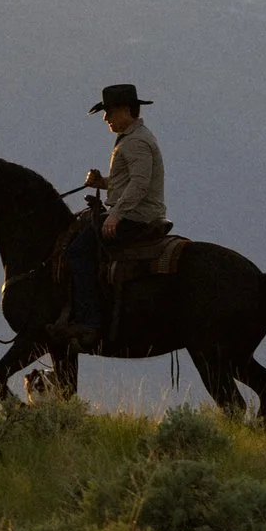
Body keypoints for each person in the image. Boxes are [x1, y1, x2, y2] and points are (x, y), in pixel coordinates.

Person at [63, 82, 167, 346]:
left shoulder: (136, 143)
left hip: (136, 216)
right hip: (134, 211)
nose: (106, 118)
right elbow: (129, 181)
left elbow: (140, 184)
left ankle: (90, 322)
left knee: (77, 252)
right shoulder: (133, 138)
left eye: (109, 112)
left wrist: (116, 214)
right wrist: (103, 183)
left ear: (124, 110)